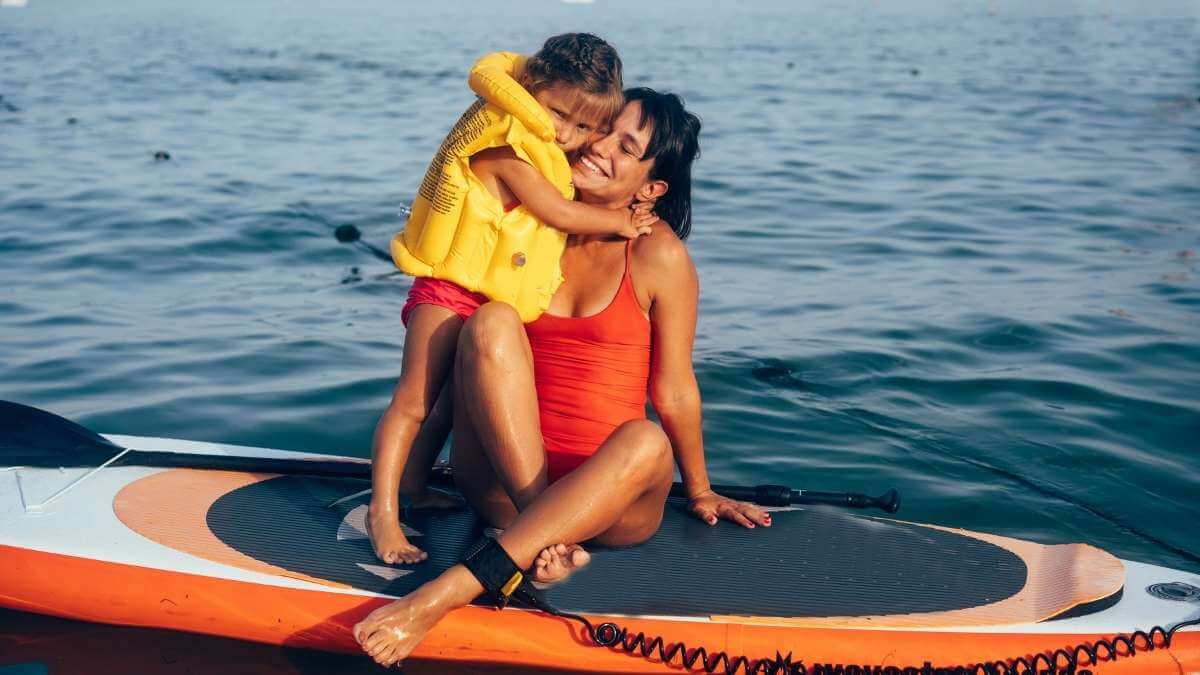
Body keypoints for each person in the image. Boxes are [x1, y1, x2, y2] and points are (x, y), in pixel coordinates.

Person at [355, 89, 771, 668]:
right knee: (491, 321)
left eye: (626, 147)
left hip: (614, 504)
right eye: (603, 130)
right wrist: (407, 483)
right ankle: (542, 533)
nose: (600, 146)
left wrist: (699, 490)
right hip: (504, 486)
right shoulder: (525, 227)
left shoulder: (657, 255)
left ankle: (447, 592)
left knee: (646, 439)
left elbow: (674, 388)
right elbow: (455, 370)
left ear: (651, 189)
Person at [368, 34, 657, 566]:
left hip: (484, 300)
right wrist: (621, 220)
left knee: (448, 403)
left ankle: (412, 485)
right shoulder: (504, 151)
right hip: (447, 292)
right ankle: (382, 512)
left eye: (585, 127)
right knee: (414, 403)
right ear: (527, 91)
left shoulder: (543, 151)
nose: (566, 134)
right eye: (556, 114)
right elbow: (559, 213)